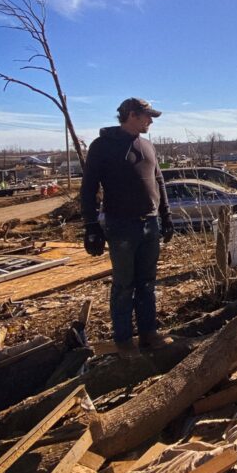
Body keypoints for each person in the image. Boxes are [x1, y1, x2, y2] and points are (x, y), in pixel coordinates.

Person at [81, 97, 174, 355]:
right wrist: (91, 225)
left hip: (150, 223)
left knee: (147, 283)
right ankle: (123, 340)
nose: (151, 121)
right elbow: (88, 188)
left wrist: (166, 216)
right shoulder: (102, 146)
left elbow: (159, 181)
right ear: (132, 115)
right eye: (147, 116)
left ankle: (148, 334)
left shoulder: (147, 145)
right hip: (121, 225)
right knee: (124, 285)